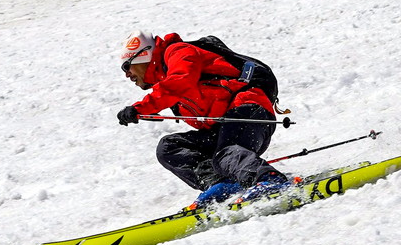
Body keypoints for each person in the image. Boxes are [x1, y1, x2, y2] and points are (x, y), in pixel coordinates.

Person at [116, 29, 291, 205]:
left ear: (143, 55)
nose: (127, 74)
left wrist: (140, 107)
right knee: (169, 147)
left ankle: (270, 180)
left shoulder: (178, 52)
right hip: (226, 126)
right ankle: (224, 184)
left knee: (226, 153)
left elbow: (180, 81)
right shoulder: (165, 82)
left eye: (127, 66)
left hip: (249, 110)